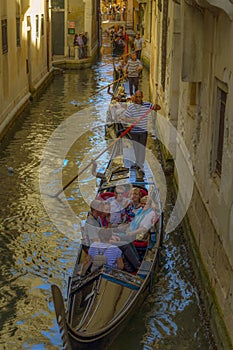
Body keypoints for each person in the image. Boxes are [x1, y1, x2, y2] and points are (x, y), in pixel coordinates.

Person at [123, 90, 161, 174]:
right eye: (137, 97)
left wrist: (155, 106)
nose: (138, 99)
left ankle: (141, 165)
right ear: (134, 97)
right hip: (134, 132)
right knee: (136, 149)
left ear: (142, 97)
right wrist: (133, 119)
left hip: (143, 132)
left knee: (142, 149)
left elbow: (159, 108)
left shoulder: (147, 105)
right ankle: (137, 163)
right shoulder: (131, 107)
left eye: (140, 97)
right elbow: (125, 118)